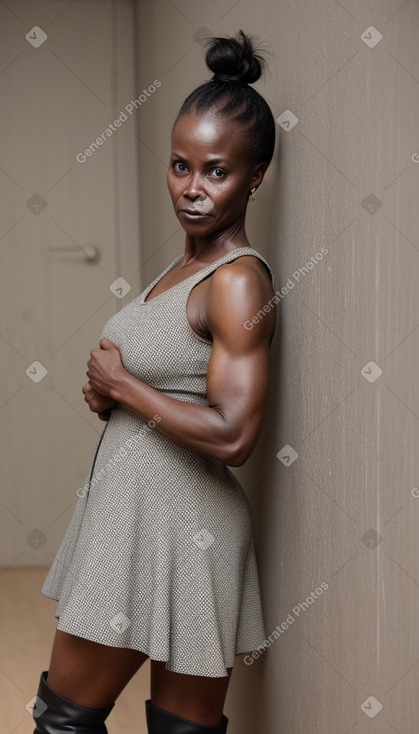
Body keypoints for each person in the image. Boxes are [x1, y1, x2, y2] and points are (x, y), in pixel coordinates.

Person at [32, 29, 277, 734]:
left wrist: (122, 385)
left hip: (178, 527)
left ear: (254, 175)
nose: (192, 188)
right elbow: (174, 390)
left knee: (63, 720)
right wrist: (113, 397)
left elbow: (234, 435)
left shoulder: (235, 282)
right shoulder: (182, 268)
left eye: (216, 172)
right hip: (135, 519)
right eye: (179, 166)